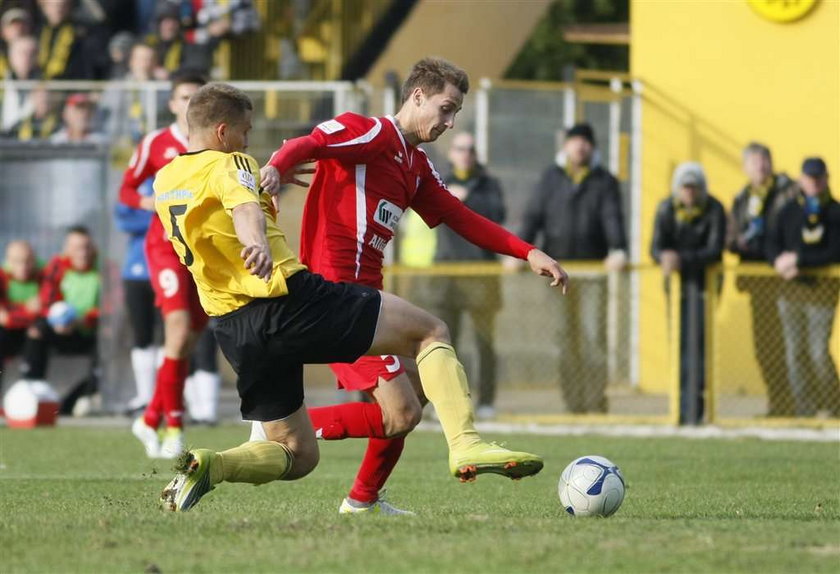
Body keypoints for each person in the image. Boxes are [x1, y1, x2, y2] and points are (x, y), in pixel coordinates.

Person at [156, 81, 567, 513]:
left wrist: (527, 251)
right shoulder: (368, 133)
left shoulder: (168, 179)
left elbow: (457, 215)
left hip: (235, 325)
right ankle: (464, 445)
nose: (449, 122)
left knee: (301, 454)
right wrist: (273, 177)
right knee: (430, 337)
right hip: (314, 295)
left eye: (456, 113)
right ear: (418, 95)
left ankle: (210, 465)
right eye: (445, 109)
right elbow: (300, 150)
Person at [118, 71, 219, 459]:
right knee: (176, 329)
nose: (189, 103)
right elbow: (127, 187)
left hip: (203, 252)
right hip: (165, 248)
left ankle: (149, 417)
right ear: (172, 103)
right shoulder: (155, 143)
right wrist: (145, 203)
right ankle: (174, 427)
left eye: (197, 97)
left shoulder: (215, 145)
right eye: (183, 97)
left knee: (190, 337)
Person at [519, 122, 627, 413]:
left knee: (593, 339)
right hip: (556, 273)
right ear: (565, 145)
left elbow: (613, 219)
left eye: (585, 141)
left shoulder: (604, 181)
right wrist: (520, 251)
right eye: (575, 141)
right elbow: (533, 216)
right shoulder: (550, 179)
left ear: (592, 147)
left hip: (593, 275)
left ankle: (595, 401)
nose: (580, 146)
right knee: (565, 339)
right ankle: (573, 403)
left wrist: (618, 250)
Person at [427, 131, 506, 420]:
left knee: (484, 342)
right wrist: (450, 199)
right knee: (446, 343)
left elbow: (498, 215)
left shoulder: (488, 185)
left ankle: (487, 402)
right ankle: (449, 404)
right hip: (446, 273)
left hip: (480, 275)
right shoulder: (440, 181)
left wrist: (466, 200)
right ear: (452, 153)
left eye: (471, 149)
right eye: (460, 149)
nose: (466, 154)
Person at [651, 162, 726, 425]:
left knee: (700, 346)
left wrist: (680, 258)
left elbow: (715, 249)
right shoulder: (666, 209)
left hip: (704, 286)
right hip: (677, 287)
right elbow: (655, 248)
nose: (690, 192)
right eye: (685, 187)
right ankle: (681, 409)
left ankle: (697, 410)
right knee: (680, 345)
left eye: (695, 187)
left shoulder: (714, 209)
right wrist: (664, 257)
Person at [726, 142, 796, 416]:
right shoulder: (743, 198)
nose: (762, 166)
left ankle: (807, 405)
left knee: (791, 346)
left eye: (765, 160)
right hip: (758, 285)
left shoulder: (788, 191)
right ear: (745, 167)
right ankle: (779, 404)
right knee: (766, 349)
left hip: (786, 283)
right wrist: (740, 242)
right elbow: (730, 237)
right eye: (755, 161)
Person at [768, 157, 840, 417]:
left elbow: (834, 250)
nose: (815, 183)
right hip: (790, 291)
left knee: (818, 351)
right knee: (794, 352)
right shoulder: (789, 210)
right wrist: (777, 260)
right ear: (802, 180)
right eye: (810, 178)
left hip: (821, 290)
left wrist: (801, 261)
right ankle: (804, 407)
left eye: (820, 178)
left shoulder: (834, 212)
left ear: (827, 179)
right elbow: (772, 241)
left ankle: (833, 404)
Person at [19, 226, 101, 415]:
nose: (82, 253)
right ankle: (33, 390)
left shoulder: (103, 268)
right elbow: (47, 299)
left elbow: (112, 308)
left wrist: (84, 319)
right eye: (76, 248)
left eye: (86, 247)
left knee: (108, 349)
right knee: (36, 331)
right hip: (59, 329)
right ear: (66, 249)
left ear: (93, 248)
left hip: (90, 331)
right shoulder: (57, 265)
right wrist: (57, 319)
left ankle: (70, 403)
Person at [114, 177, 159, 414]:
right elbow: (123, 219)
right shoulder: (137, 184)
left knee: (170, 336)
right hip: (137, 272)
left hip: (170, 270)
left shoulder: (175, 176)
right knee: (142, 335)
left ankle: (169, 397)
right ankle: (145, 396)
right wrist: (156, 213)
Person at [0, 240, 42, 388]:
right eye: (17, 262)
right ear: (8, 261)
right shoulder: (2, 277)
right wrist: (27, 310)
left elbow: (44, 309)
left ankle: (33, 391)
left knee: (39, 332)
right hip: (7, 334)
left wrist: (12, 313)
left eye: (28, 261)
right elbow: (3, 319)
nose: (23, 267)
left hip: (31, 334)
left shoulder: (43, 275)